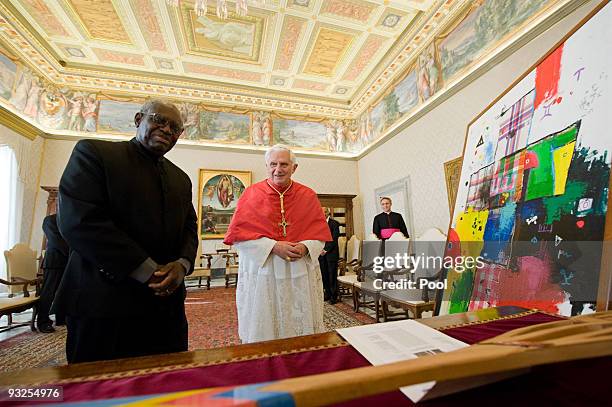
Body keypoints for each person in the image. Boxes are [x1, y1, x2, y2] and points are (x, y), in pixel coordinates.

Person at [56, 99, 198, 363]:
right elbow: (80, 222)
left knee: (164, 385)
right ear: (137, 119)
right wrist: (146, 270)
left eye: (175, 127)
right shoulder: (95, 154)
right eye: (159, 119)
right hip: (104, 303)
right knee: (100, 392)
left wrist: (182, 263)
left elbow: (190, 228)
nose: (167, 129)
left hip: (166, 307)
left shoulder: (181, 178)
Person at [224, 144, 331, 343]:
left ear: (294, 167)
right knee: (265, 322)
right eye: (273, 164)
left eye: (283, 164)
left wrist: (306, 246)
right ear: (266, 166)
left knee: (300, 324)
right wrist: (273, 246)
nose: (277, 169)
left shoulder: (308, 195)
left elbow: (320, 236)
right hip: (264, 272)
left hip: (298, 270)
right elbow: (239, 237)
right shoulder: (251, 194)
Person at [37, 214, 69, 333]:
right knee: (48, 293)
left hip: (68, 262)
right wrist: (74, 252)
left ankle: (61, 318)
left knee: (65, 291)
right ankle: (43, 322)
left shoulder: (70, 219)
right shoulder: (49, 220)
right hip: (54, 262)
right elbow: (56, 240)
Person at [318, 207, 340, 304]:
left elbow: (334, 239)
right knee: (324, 275)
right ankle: (327, 294)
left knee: (332, 275)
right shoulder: (317, 224)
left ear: (328, 212)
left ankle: (334, 297)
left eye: (325, 212)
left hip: (331, 253)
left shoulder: (334, 223)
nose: (323, 214)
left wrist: (325, 249)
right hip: (321, 254)